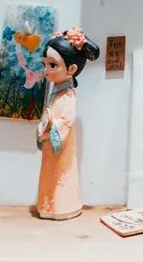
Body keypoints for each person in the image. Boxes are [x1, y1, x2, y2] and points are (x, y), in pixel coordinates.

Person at [35, 27, 99, 220]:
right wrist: (42, 127)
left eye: (52, 65)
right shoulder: (55, 93)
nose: (46, 70)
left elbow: (66, 121)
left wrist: (49, 127)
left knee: (61, 174)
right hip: (51, 146)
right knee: (49, 172)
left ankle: (63, 206)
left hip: (61, 147)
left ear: (71, 69)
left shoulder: (68, 95)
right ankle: (48, 206)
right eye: (45, 64)